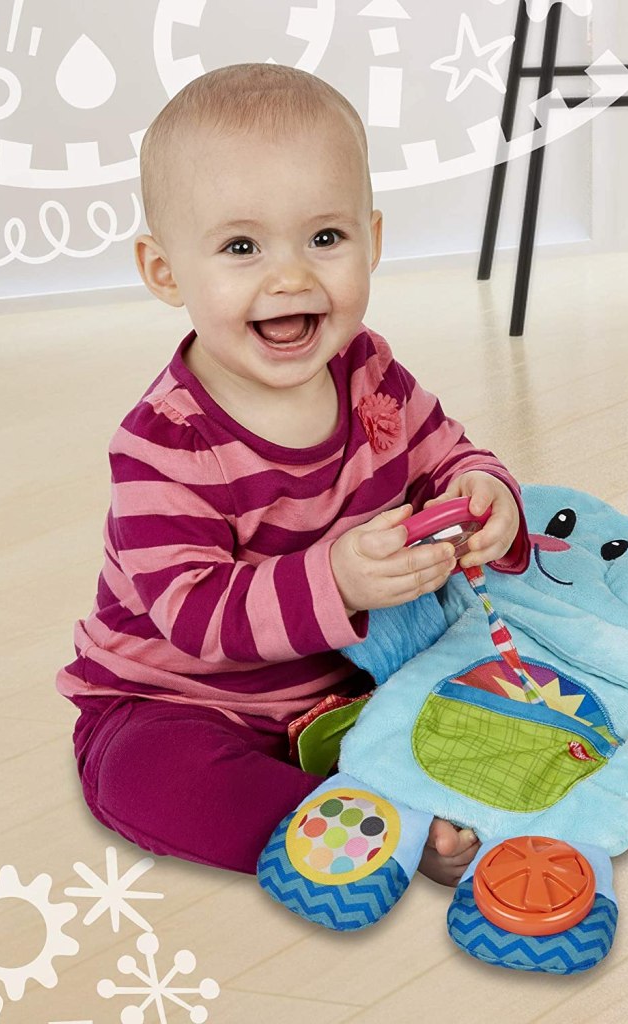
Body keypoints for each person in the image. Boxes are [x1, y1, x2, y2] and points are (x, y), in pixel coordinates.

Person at [56, 64, 530, 886]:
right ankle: (363, 827)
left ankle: (385, 785)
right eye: (242, 247)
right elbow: (194, 614)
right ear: (165, 272)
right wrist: (337, 579)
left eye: (325, 238)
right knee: (153, 777)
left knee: (501, 669)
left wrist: (482, 493)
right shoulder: (162, 444)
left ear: (371, 240)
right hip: (185, 700)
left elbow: (445, 452)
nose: (291, 277)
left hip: (356, 684)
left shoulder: (370, 372)